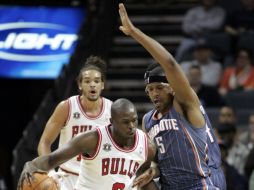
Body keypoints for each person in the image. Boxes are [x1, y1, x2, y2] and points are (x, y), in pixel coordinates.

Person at [118, 3, 226, 189]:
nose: (154, 94)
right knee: (141, 183)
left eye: (159, 87)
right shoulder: (148, 120)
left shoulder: (184, 103)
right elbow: (159, 161)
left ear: (172, 87)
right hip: (170, 185)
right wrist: (153, 169)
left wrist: (134, 32)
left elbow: (170, 64)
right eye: (150, 90)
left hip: (202, 182)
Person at [18, 98, 157, 190]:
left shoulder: (146, 146)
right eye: (126, 122)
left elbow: (144, 178)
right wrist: (31, 165)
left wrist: (154, 172)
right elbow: (52, 159)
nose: (132, 126)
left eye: (134, 120)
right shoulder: (93, 139)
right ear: (112, 121)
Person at [37, 55, 112, 190]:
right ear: (80, 85)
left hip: (97, 180)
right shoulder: (67, 106)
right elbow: (44, 142)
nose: (92, 84)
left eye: (96, 81)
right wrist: (50, 171)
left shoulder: (112, 110)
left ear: (102, 85)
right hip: (67, 178)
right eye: (87, 81)